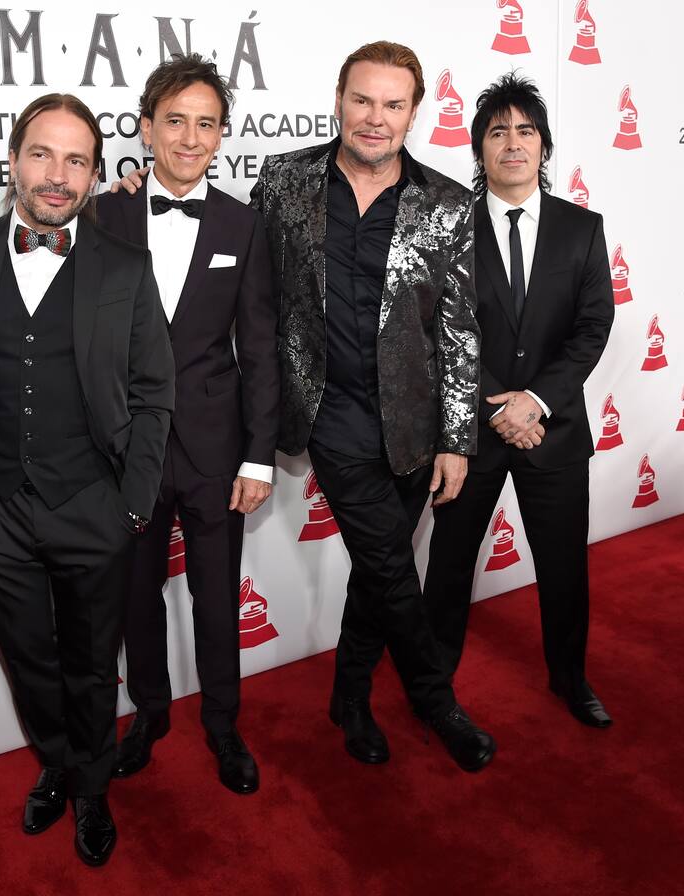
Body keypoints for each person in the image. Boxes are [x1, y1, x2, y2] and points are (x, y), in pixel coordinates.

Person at [0, 93, 174, 866]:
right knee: (28, 657)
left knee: (91, 663)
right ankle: (57, 761)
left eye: (76, 161)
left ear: (94, 175)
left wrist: (133, 504)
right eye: (42, 154)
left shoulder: (126, 266)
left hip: (93, 504)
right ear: (13, 160)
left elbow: (155, 392)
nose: (58, 175)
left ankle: (91, 785)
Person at [250, 41, 490, 772]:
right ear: (339, 100)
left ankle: (349, 699)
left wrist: (456, 438)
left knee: (376, 569)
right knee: (390, 562)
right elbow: (237, 270)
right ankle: (435, 700)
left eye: (392, 104)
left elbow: (458, 330)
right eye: (362, 100)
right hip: (331, 415)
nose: (375, 118)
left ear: (414, 113)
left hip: (415, 426)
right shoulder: (284, 180)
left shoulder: (448, 203)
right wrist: (137, 192)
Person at [95, 54, 278, 794]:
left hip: (215, 447)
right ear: (146, 128)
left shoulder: (243, 222)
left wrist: (259, 457)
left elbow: (259, 346)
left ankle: (224, 724)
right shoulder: (104, 215)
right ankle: (148, 714)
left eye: (206, 124)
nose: (191, 138)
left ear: (222, 134)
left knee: (216, 593)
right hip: (125, 448)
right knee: (134, 596)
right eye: (175, 121)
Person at [423, 72, 615, 730]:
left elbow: (593, 326)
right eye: (498, 132)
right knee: (449, 567)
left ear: (544, 145)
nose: (512, 143)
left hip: (552, 430)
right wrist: (496, 407)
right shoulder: (449, 227)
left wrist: (535, 400)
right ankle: (433, 684)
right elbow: (436, 328)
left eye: (525, 131)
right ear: (479, 148)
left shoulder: (581, 229)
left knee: (564, 569)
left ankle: (570, 678)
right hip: (469, 433)